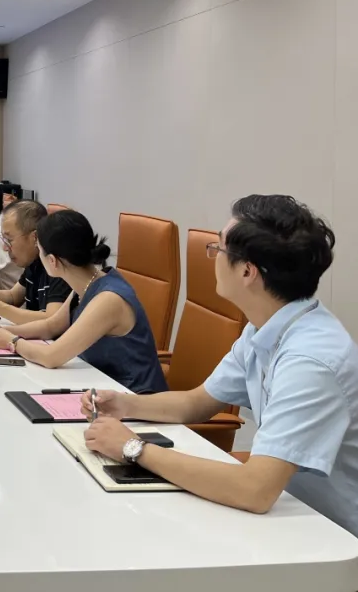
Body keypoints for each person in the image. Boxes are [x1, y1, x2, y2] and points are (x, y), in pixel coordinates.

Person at [82, 195, 358, 533]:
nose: (212, 256)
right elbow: (196, 402)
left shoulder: (310, 361)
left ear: (247, 271)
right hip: (289, 509)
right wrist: (125, 405)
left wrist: (133, 448)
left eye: (218, 248)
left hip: (333, 531)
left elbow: (255, 490)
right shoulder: (266, 327)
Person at [0, 209, 167, 394]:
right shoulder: (88, 282)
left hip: (134, 398)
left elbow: (51, 357)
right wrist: (4, 331)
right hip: (101, 388)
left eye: (39, 251)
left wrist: (11, 341)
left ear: (52, 261)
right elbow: (51, 326)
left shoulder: (108, 299)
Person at [0, 200, 71, 324]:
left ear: (35, 237)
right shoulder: (34, 261)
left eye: (9, 240)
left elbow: (51, 320)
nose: (5, 247)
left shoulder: (58, 265)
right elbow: (13, 297)